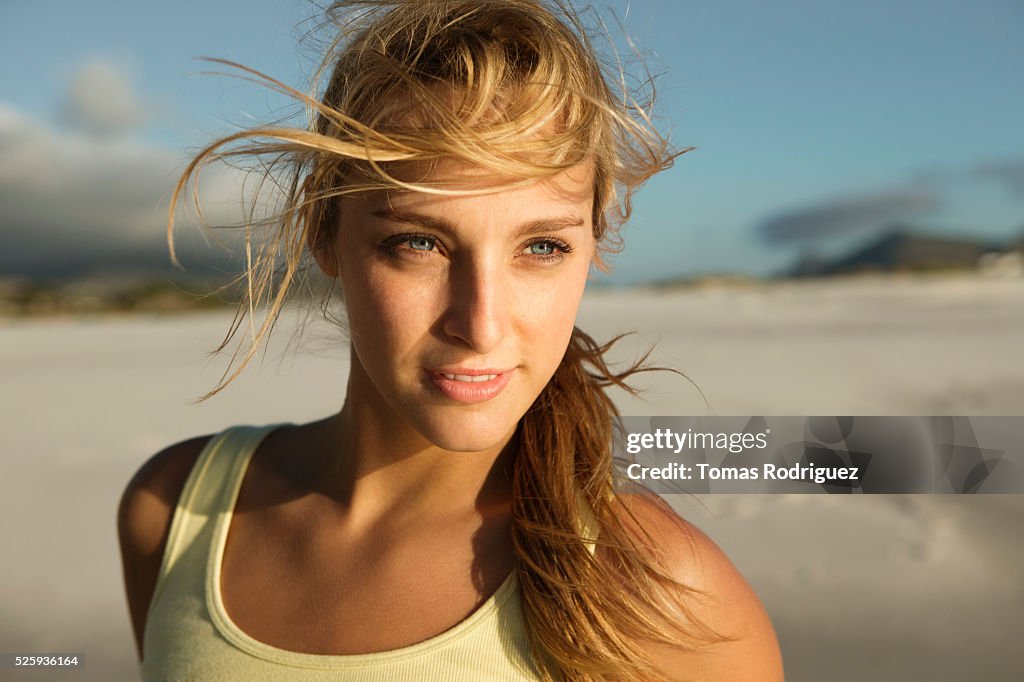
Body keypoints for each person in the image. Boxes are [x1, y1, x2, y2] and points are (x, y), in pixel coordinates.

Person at [117, 1, 784, 679]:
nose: (482, 323)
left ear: (594, 242)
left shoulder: (660, 596)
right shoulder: (176, 513)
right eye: (419, 242)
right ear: (323, 229)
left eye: (543, 246)